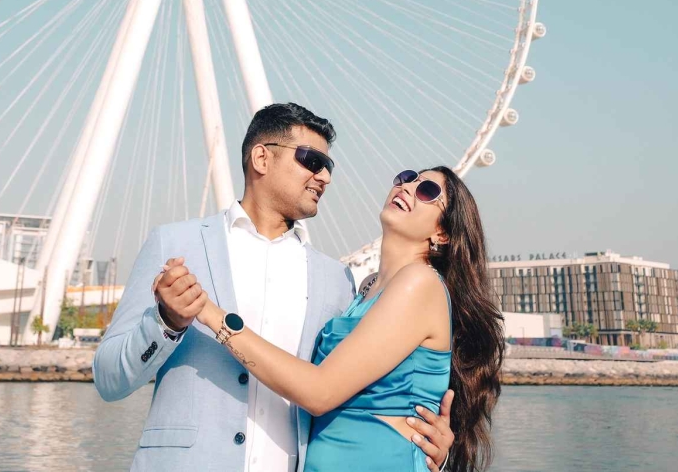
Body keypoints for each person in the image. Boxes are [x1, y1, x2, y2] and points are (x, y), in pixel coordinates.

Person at [95, 102, 456, 472]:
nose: (325, 177)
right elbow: (109, 379)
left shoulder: (337, 281)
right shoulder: (174, 245)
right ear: (262, 158)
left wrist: (429, 449)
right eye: (312, 161)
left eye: (328, 167)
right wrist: (167, 322)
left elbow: (351, 390)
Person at [181, 165, 503, 472]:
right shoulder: (364, 288)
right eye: (407, 177)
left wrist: (212, 315)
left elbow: (320, 392)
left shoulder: (420, 283)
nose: (407, 186)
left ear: (442, 233)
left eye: (427, 190)